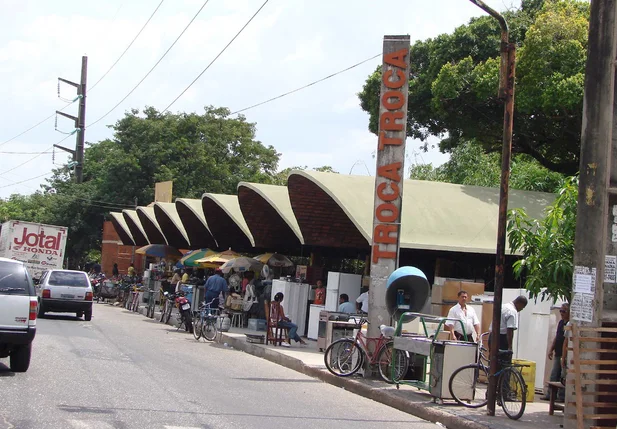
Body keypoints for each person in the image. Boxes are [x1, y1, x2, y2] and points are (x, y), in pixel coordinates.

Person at [541, 303, 569, 401]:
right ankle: (550, 395)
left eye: (564, 311)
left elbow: (566, 341)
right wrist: (551, 349)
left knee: (563, 375)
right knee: (554, 374)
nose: (562, 313)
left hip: (565, 354)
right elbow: (557, 337)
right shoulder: (561, 323)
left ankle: (561, 396)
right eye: (560, 311)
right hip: (558, 352)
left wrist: (564, 356)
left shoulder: (569, 324)